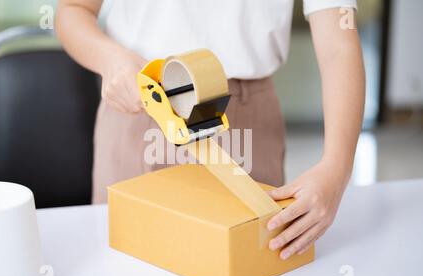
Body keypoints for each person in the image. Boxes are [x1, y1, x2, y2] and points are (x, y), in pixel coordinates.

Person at [56, 0, 365, 260]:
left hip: (247, 112)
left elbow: (339, 45)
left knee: (250, 269)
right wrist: (110, 60)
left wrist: (336, 167)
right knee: (125, 269)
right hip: (139, 103)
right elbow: (73, 9)